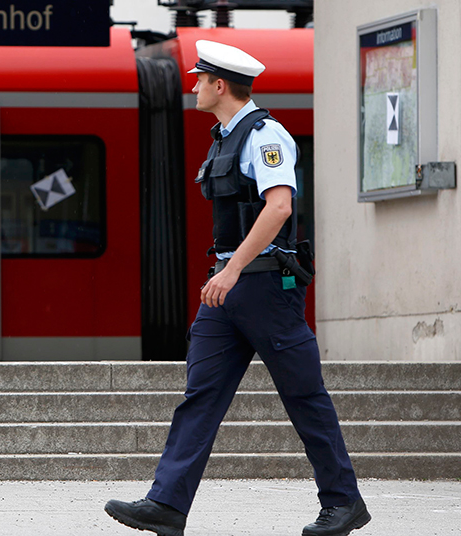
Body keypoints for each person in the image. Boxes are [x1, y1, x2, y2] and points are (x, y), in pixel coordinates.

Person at [104, 40, 370, 536]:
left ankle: (343, 501)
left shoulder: (264, 135)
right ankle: (167, 503)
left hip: (267, 286)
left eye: (200, 79)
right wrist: (226, 273)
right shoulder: (224, 135)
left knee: (303, 395)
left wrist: (231, 271)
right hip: (230, 288)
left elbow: (279, 207)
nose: (194, 85)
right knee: (200, 395)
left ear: (219, 84)